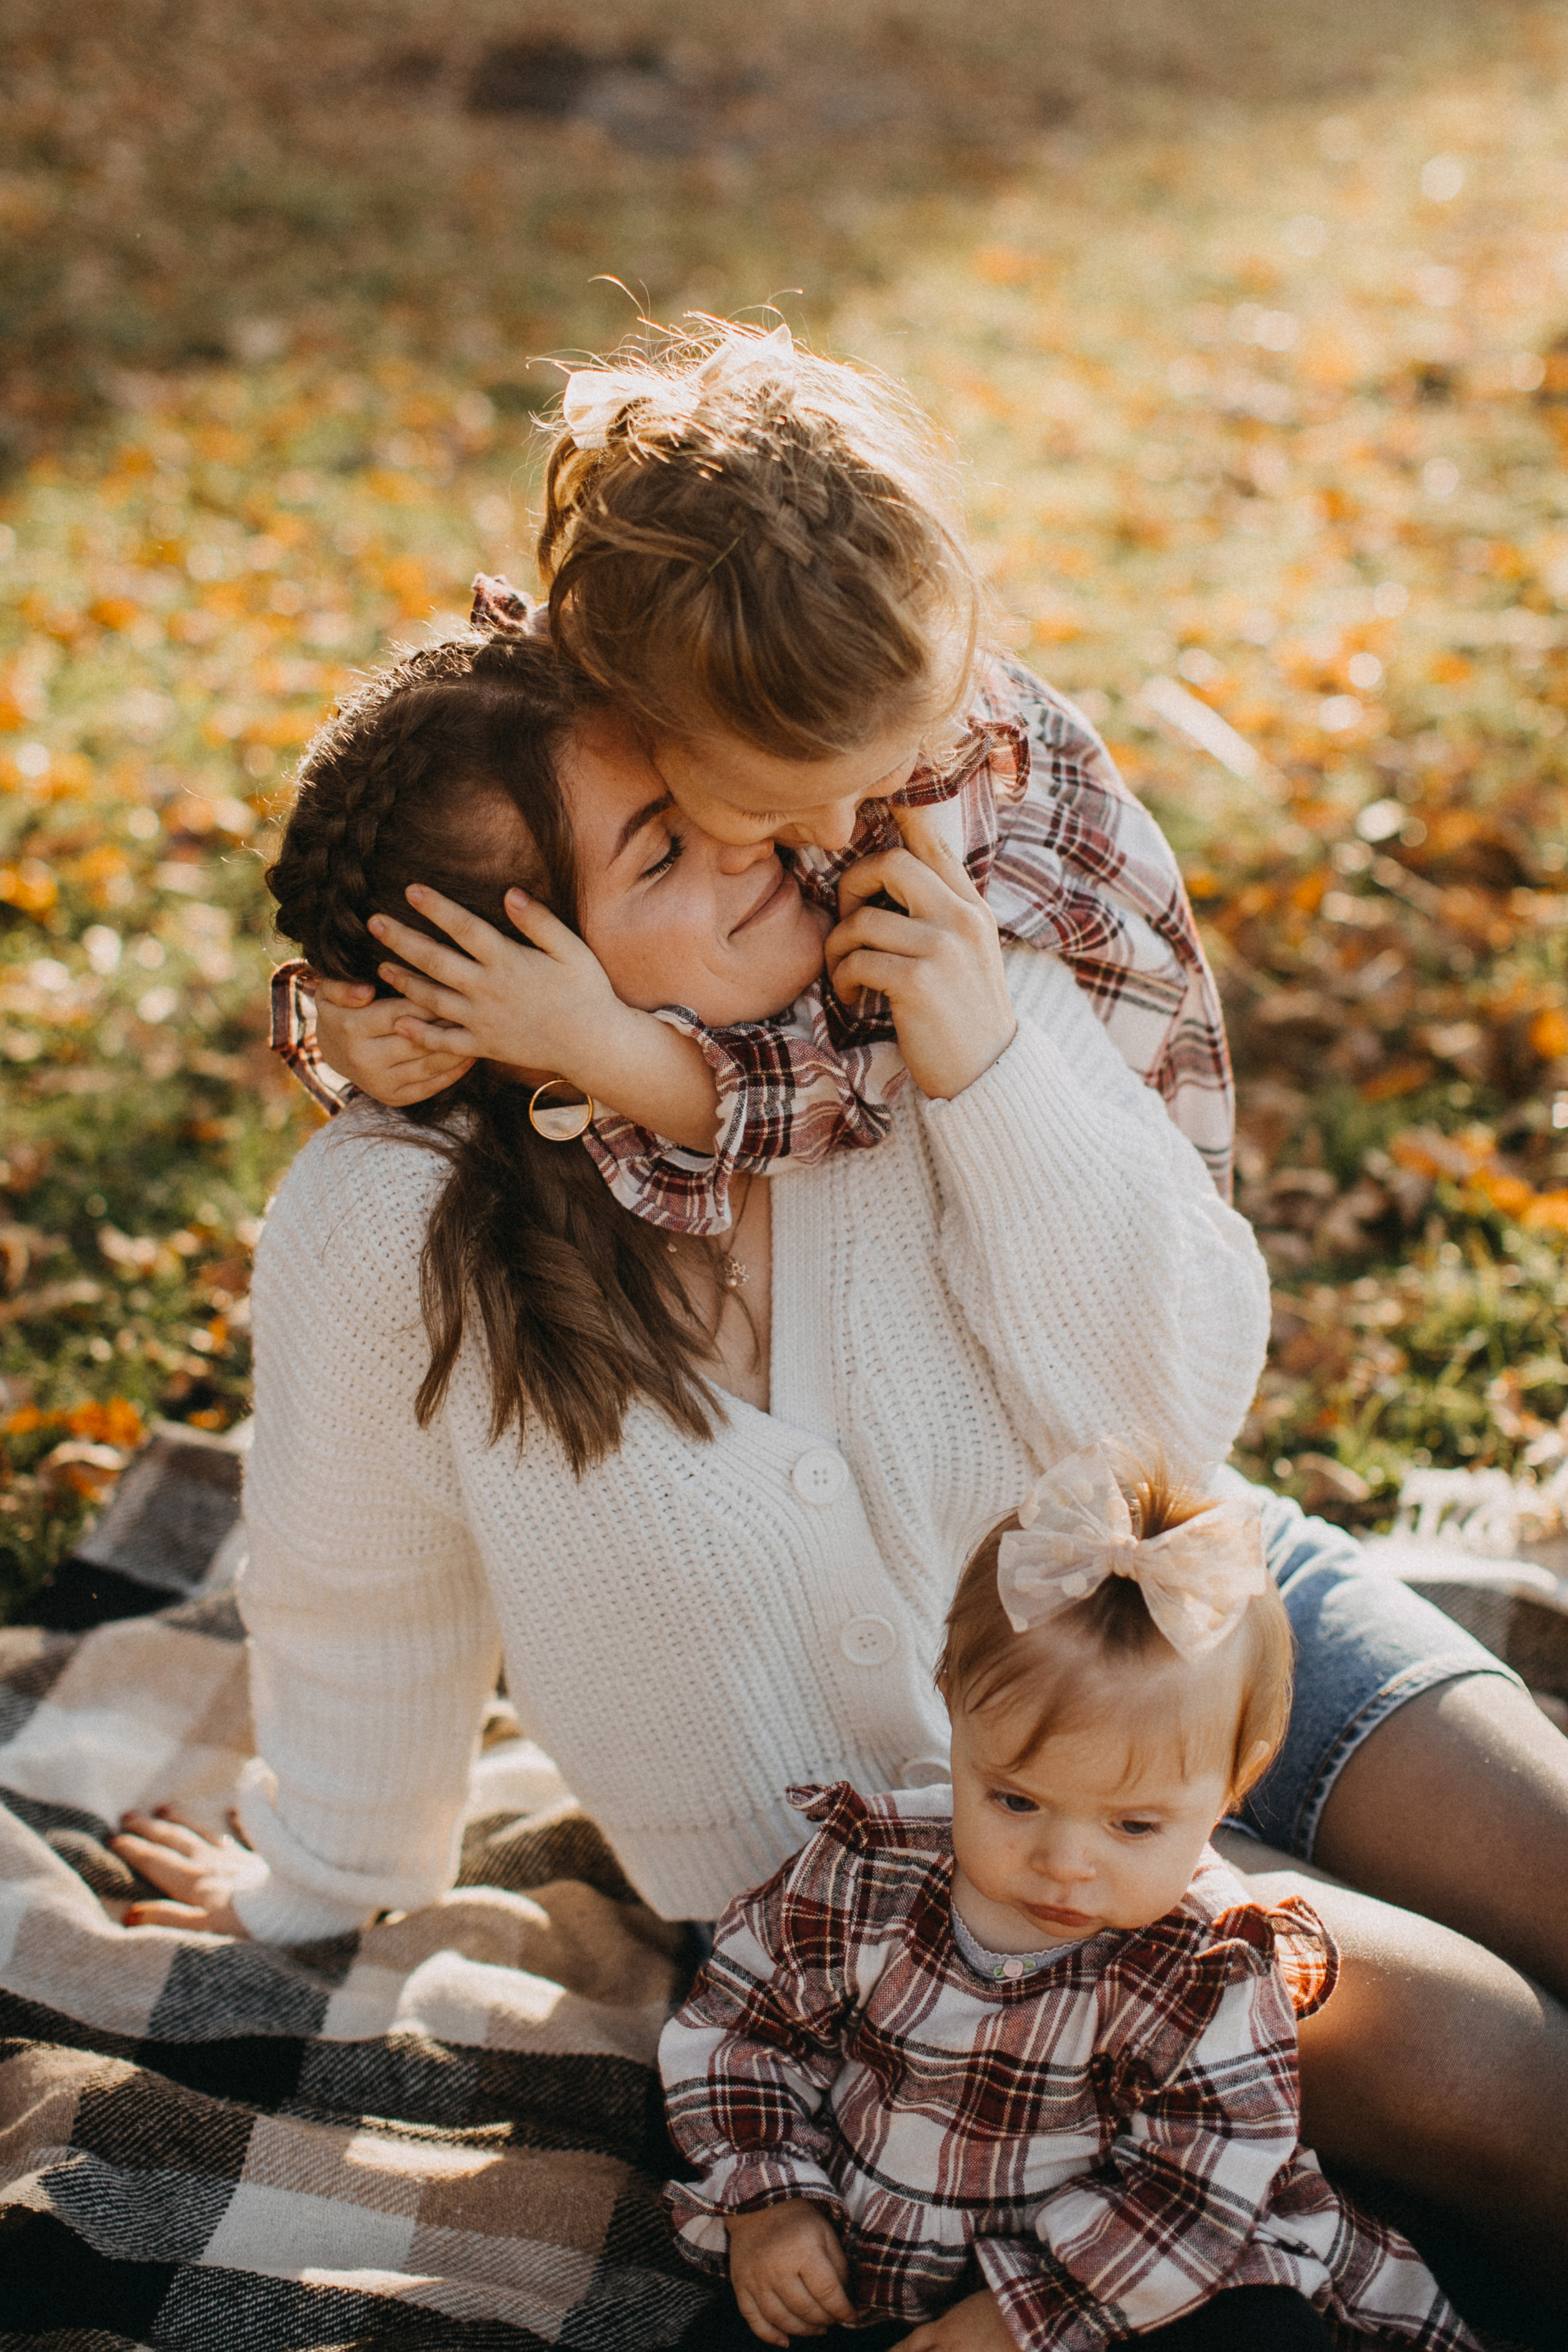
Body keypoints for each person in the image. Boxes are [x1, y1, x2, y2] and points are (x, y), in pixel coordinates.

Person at [113, 345, 1568, 2299]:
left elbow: (1181, 1413)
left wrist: (989, 1078)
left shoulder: (904, 965)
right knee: (1482, 2072)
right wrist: (321, 1882)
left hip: (1210, 1616)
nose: (772, 848)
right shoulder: (394, 1235)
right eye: (671, 844)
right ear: (492, 960)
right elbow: (361, 1594)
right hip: (957, 1876)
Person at [660, 1446, 1476, 2352]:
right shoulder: (866, 1871)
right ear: (954, 1714)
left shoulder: (1205, 1966)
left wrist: (1026, 2316)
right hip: (874, 2264)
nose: (1064, 1863)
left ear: (1231, 1790)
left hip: (1115, 2289)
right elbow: (741, 2030)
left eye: (1133, 1828)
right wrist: (769, 2201)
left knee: (1264, 2334)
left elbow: (1195, 2187)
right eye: (1015, 1799)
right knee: (734, 2333)